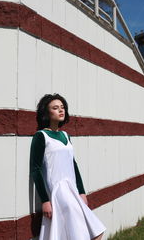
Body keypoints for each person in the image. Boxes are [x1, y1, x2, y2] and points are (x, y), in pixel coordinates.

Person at [30, 93, 106, 240]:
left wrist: (82, 192)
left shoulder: (65, 135)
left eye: (63, 107)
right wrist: (45, 200)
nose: (61, 110)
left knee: (94, 231)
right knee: (83, 232)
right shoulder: (41, 136)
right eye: (55, 108)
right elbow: (36, 169)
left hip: (73, 191)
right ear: (46, 113)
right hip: (59, 192)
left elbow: (73, 165)